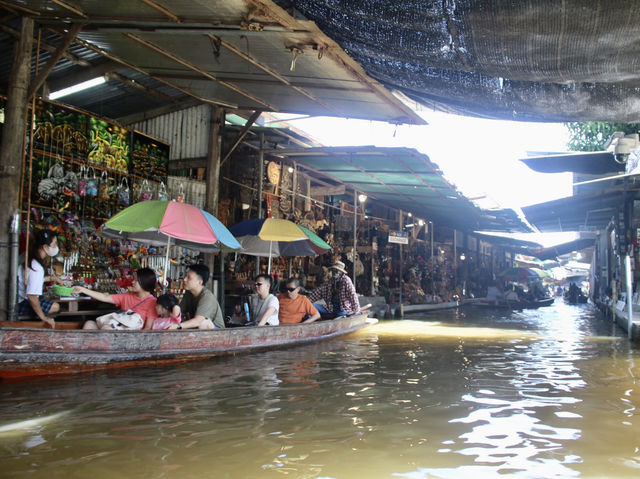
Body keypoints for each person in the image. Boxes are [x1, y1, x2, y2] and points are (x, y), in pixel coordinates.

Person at [74, 267, 158, 330]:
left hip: (132, 336)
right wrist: (83, 290)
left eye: (136, 281)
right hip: (117, 327)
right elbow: (104, 297)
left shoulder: (152, 302)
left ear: (144, 282)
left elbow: (147, 329)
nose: (132, 282)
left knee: (106, 328)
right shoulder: (127, 296)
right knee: (89, 324)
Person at [17, 229, 65, 328]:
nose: (56, 247)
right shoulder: (36, 267)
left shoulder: (27, 256)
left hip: (17, 297)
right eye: (54, 243)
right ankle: (40, 323)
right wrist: (44, 318)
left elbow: (31, 280)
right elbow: (32, 296)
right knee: (55, 307)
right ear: (45, 247)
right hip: (20, 303)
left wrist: (53, 278)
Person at [167, 264, 224, 330]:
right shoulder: (189, 293)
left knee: (203, 323)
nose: (184, 279)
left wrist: (178, 326)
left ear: (200, 282)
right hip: (198, 330)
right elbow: (179, 311)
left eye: (189, 278)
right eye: (185, 276)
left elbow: (198, 321)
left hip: (217, 332)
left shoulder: (207, 297)